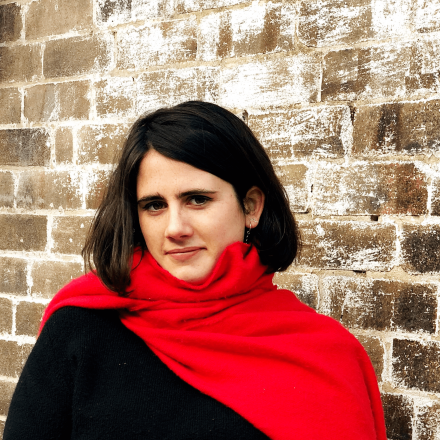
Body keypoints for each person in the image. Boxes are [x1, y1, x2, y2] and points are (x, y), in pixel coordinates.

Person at [4, 101, 387, 440]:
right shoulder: (81, 325)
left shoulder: (326, 354)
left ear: (251, 206)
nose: (175, 228)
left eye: (198, 200)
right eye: (154, 205)